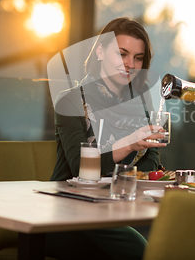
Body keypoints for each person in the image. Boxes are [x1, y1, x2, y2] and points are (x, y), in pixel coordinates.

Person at [48, 17, 165, 260]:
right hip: (69, 215)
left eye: (138, 58)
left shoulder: (140, 101)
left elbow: (151, 158)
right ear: (100, 50)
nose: (130, 64)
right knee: (144, 253)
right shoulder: (70, 101)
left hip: (117, 208)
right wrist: (129, 145)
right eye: (121, 54)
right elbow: (80, 167)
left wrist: (118, 183)